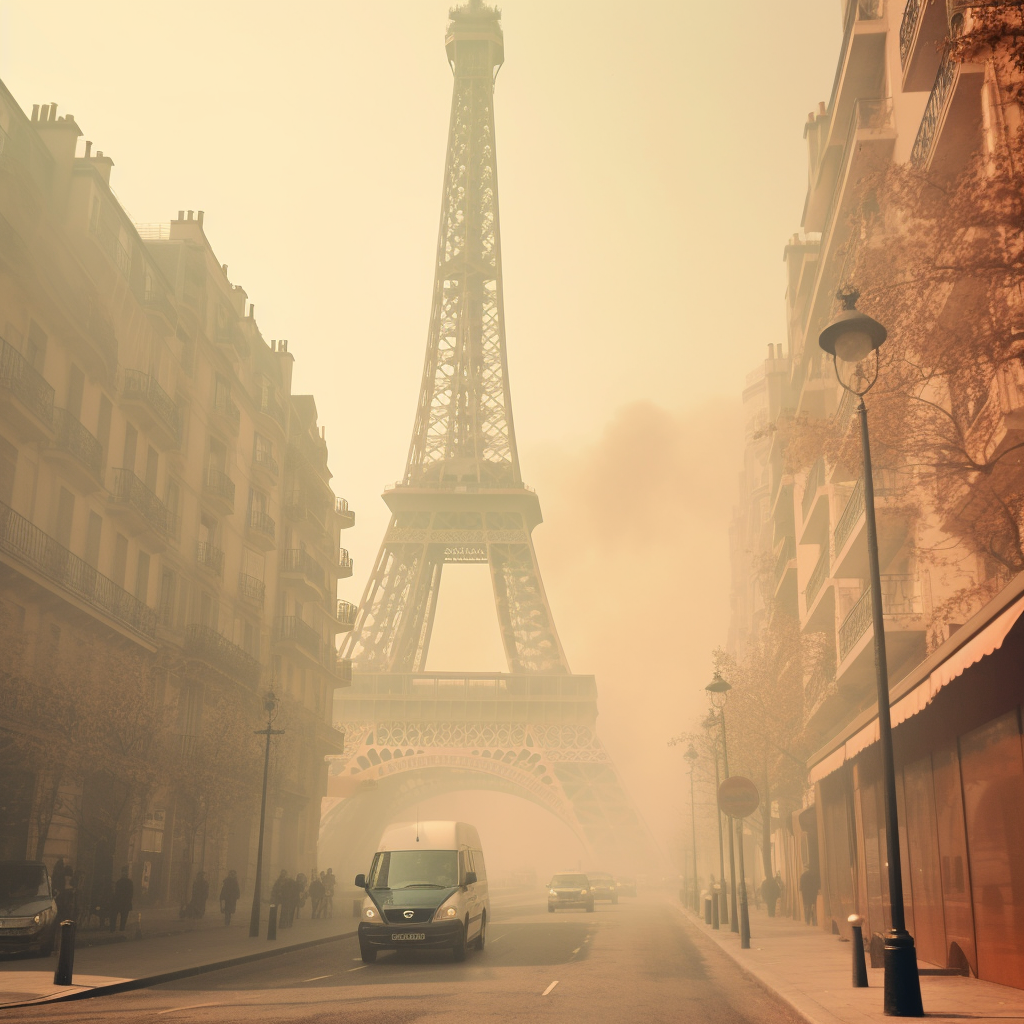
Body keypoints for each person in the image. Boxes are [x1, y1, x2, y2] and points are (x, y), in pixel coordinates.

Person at [112, 866, 133, 932]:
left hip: (119, 902)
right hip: (125, 902)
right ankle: (121, 929)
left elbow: (116, 892)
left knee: (115, 916)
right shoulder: (129, 882)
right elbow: (131, 893)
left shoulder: (119, 882)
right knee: (124, 917)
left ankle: (113, 929)